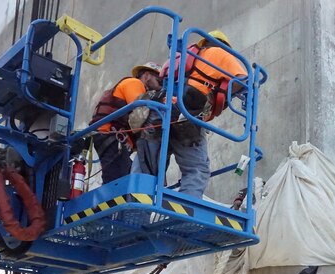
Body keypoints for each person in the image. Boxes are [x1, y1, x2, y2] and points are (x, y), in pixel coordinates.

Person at [132, 30, 247, 199]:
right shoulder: (219, 52)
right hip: (187, 115)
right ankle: (184, 212)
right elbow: (242, 79)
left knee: (146, 165)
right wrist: (222, 96)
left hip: (160, 112)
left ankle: (135, 209)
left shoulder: (184, 58)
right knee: (196, 169)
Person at [89, 62, 162, 184]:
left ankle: (111, 201)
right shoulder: (134, 83)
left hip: (112, 137)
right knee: (117, 179)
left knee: (123, 176)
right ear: (148, 75)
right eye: (158, 79)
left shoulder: (136, 88)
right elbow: (141, 113)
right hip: (111, 136)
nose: (160, 84)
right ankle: (110, 201)